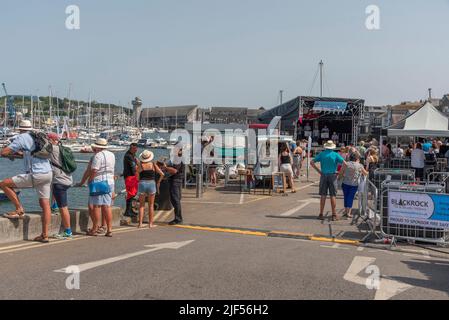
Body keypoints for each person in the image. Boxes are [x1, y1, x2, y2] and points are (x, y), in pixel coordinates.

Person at [0, 120, 53, 243]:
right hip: (48, 173)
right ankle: (45, 235)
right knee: (45, 204)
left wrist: (9, 153)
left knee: (4, 184)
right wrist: (21, 153)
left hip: (36, 174)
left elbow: (4, 152)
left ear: (20, 129)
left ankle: (19, 209)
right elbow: (32, 152)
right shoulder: (37, 135)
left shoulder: (22, 137)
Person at [86, 138, 116, 237]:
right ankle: (109, 229)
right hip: (110, 181)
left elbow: (94, 170)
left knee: (96, 206)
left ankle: (94, 229)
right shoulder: (112, 155)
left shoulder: (98, 156)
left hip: (99, 181)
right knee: (107, 206)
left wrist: (90, 180)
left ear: (97, 147)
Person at [311, 140, 345, 221]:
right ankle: (334, 214)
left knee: (323, 195)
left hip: (324, 175)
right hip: (333, 175)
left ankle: (321, 213)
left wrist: (319, 171)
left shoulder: (322, 154)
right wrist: (340, 173)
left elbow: (312, 162)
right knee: (333, 195)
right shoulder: (335, 154)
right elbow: (345, 164)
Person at [48, 133, 74, 239]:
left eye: (48, 139)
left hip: (60, 181)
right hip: (67, 179)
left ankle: (68, 232)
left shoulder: (53, 149)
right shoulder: (63, 149)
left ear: (52, 140)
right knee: (60, 202)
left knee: (63, 208)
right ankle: (54, 206)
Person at [136, 150, 164, 228]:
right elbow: (162, 174)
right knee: (151, 205)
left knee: (141, 205)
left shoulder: (140, 165)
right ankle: (150, 224)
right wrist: (158, 182)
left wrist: (139, 180)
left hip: (142, 184)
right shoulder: (153, 164)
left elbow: (137, 176)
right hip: (151, 184)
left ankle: (140, 223)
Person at [338, 152, 368, 219]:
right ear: (357, 158)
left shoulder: (346, 164)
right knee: (350, 198)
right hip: (354, 184)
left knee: (346, 197)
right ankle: (348, 213)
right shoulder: (360, 165)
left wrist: (339, 178)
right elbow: (365, 173)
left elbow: (341, 172)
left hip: (345, 183)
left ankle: (346, 211)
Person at [163, 144, 185, 225]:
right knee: (175, 200)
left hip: (175, 180)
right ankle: (178, 218)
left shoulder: (178, 159)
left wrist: (166, 168)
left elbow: (174, 171)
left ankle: (178, 218)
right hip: (177, 180)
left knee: (175, 200)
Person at [123, 143, 139, 217]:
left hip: (131, 176)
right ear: (131, 148)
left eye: (136, 149)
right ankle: (128, 211)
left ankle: (130, 210)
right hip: (130, 177)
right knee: (131, 194)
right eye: (135, 149)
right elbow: (133, 168)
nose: (136, 150)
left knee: (133, 193)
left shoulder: (132, 155)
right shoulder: (129, 156)